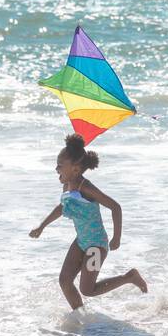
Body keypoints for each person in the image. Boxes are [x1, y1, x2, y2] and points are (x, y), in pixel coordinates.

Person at [30, 132, 147, 309]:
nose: (56, 169)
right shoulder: (66, 185)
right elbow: (63, 206)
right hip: (81, 241)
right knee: (64, 281)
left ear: (75, 169)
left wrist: (116, 238)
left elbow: (115, 207)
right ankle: (80, 317)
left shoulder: (87, 188)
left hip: (96, 245)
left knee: (88, 289)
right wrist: (42, 225)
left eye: (60, 165)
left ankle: (129, 277)